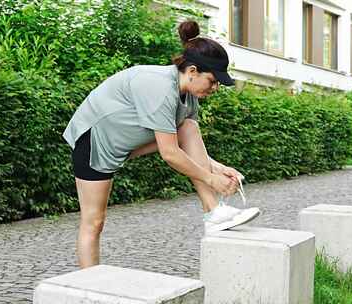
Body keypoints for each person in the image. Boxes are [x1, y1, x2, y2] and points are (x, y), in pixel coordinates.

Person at [63, 20, 260, 268]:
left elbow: (187, 145)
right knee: (94, 222)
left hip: (125, 142)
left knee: (189, 127)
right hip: (93, 142)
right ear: (192, 72)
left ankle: (213, 212)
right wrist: (212, 179)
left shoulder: (188, 97)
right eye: (212, 81)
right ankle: (88, 285)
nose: (216, 87)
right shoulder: (158, 87)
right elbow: (170, 153)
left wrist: (218, 169)